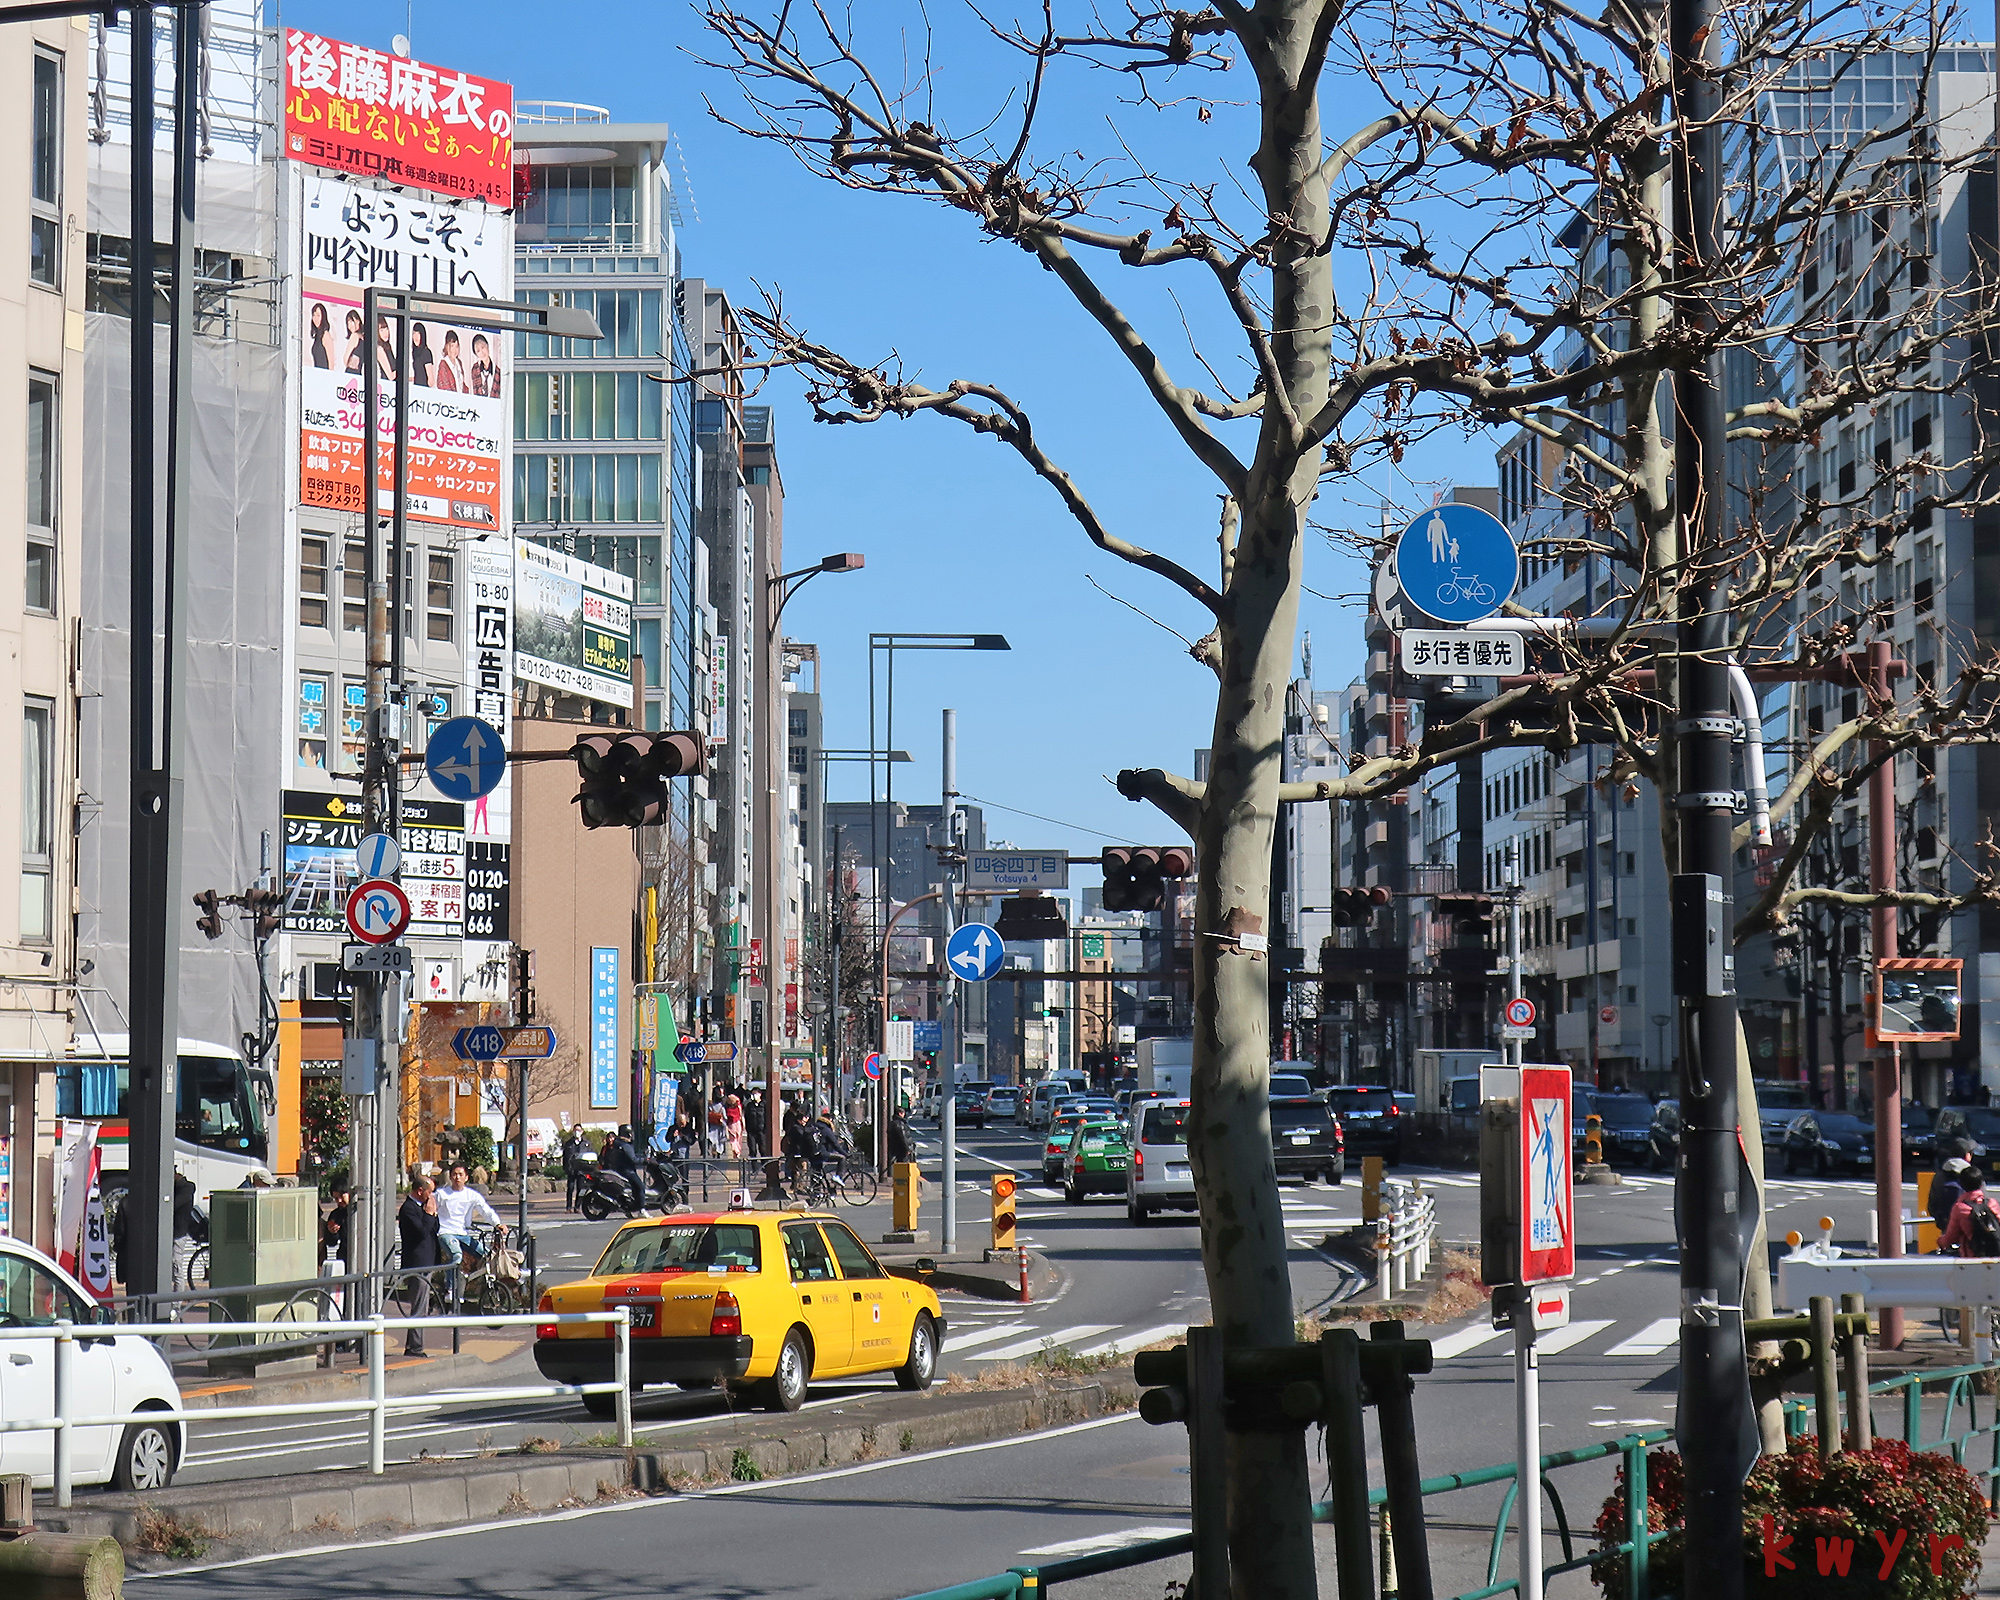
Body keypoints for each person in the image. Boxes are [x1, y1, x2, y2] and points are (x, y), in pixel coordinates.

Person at [397, 1176, 443, 1357]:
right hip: (417, 1262)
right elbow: (421, 1232)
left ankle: (414, 1345)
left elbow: (434, 1228)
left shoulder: (422, 1208)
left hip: (428, 1260)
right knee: (419, 1306)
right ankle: (414, 1347)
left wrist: (432, 1214)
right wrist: (429, 1214)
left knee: (422, 1306)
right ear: (420, 1191)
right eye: (429, 1192)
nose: (431, 1196)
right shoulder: (408, 1209)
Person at [435, 1162, 504, 1266]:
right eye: (454, 1174)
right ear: (450, 1177)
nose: (457, 1177)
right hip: (446, 1233)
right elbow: (429, 1207)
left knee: (486, 1254)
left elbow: (486, 1211)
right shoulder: (441, 1194)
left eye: (460, 1174)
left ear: (466, 1177)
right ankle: (452, 1282)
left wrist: (498, 1224)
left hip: (462, 1233)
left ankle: (480, 1280)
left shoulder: (471, 1195)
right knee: (456, 1256)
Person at [1939, 1167, 2000, 1257]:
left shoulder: (1960, 1208)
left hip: (1973, 1258)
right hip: (1996, 1256)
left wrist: (1940, 1242)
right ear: (1981, 1184)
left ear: (1962, 1185)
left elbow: (1951, 1237)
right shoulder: (1992, 1203)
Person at [321, 1181, 351, 1262]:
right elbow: (331, 1243)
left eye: (341, 1196)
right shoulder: (336, 1214)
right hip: (344, 1256)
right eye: (336, 1199)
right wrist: (332, 1232)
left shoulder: (362, 1210)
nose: (340, 1201)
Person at [469, 332, 500, 397]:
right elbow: (475, 394)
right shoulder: (475, 369)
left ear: (487, 347)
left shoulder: (498, 370)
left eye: (483, 347)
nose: (482, 352)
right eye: (478, 351)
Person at [409, 322, 435, 387]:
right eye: (414, 333)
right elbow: (420, 375)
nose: (416, 337)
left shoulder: (426, 352)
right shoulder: (415, 353)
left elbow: (431, 380)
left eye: (418, 334)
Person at [308, 302, 332, 369]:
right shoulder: (317, 336)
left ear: (323, 316)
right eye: (313, 315)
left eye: (318, 315)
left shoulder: (326, 335)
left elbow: (331, 362)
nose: (315, 318)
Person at [725, 1094, 747, 1160]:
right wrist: (743, 1124)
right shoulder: (738, 1107)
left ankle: (735, 1150)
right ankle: (738, 1151)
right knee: (739, 1138)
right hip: (738, 1123)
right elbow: (741, 1116)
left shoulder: (727, 1108)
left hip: (731, 1124)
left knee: (732, 1139)